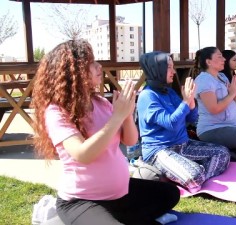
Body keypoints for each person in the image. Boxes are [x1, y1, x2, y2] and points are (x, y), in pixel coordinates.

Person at [31, 39, 180, 225]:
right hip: (81, 201)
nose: (99, 65)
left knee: (170, 194)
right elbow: (83, 154)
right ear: (74, 72)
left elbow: (131, 140)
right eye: (92, 63)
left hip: (118, 195)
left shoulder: (100, 102)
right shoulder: (57, 111)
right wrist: (117, 116)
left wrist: (126, 115)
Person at [137, 51, 230, 193]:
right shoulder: (147, 96)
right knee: (195, 176)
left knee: (223, 153)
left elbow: (191, 119)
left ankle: (183, 173)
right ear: (157, 69)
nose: (173, 71)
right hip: (160, 151)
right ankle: (190, 173)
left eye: (172, 67)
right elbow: (171, 124)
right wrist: (186, 101)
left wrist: (191, 102)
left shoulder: (169, 92)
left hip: (183, 145)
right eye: (169, 67)